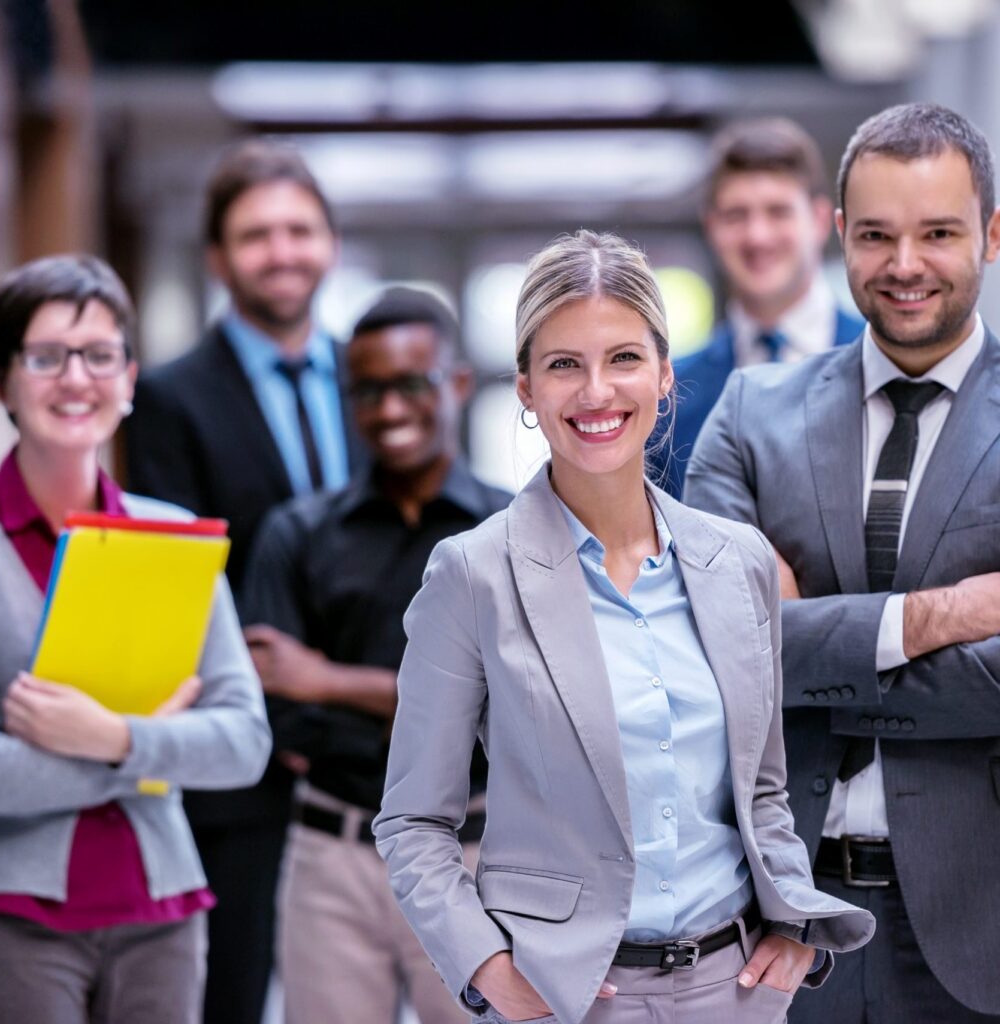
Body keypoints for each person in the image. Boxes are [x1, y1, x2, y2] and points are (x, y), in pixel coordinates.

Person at [373, 230, 873, 1024]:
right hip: (564, 999)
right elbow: (413, 821)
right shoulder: (472, 575)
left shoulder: (738, 562)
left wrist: (792, 927)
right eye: (564, 364)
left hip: (736, 991)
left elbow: (762, 788)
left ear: (666, 374)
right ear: (526, 388)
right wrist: (488, 968)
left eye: (625, 358)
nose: (597, 391)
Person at [684, 102, 1000, 1022]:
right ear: (838, 233)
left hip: (979, 925)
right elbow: (711, 652)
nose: (904, 264)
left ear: (991, 234)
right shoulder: (750, 415)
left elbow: (764, 656)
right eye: (875, 235)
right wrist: (940, 618)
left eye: (938, 233)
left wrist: (800, 644)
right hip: (777, 924)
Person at [0, 254, 271, 1023]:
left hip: (164, 910)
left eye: (100, 355)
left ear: (130, 378)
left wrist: (113, 740)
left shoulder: (172, 536)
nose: (77, 378)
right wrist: (152, 756)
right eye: (46, 357)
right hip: (9, 918)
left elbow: (244, 742)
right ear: (2, 380)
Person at [123, 138, 364, 1024]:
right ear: (219, 259)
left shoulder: (375, 381)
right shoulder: (169, 397)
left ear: (330, 244)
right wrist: (279, 709)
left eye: (299, 230)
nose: (282, 251)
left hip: (371, 760)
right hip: (241, 768)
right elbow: (185, 580)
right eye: (256, 235)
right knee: (234, 995)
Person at [240, 286, 511, 1024]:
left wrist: (329, 681)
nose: (389, 409)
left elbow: (523, 709)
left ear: (458, 383)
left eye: (412, 384)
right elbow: (278, 710)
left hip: (477, 858)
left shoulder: (514, 531)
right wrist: (443, 709)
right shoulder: (296, 534)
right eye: (368, 390)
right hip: (332, 856)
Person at [648, 118, 863, 498]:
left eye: (778, 212)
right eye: (736, 215)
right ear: (711, 226)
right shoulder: (669, 398)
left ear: (819, 220)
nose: (757, 236)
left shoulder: (880, 361)